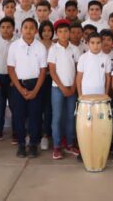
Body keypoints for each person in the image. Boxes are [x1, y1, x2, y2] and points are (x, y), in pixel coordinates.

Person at [7, 18, 47, 158]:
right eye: (26, 27)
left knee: (35, 116)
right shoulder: (14, 46)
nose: (28, 30)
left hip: (36, 85)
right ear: (21, 29)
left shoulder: (40, 47)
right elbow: (11, 69)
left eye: (31, 28)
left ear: (36, 31)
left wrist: (35, 90)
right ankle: (21, 144)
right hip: (19, 85)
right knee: (18, 116)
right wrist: (20, 89)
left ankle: (33, 144)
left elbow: (43, 71)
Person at [47, 21, 79, 159]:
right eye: (60, 32)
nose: (64, 34)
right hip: (57, 89)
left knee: (71, 117)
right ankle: (57, 146)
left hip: (72, 89)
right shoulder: (53, 49)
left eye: (66, 31)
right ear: (57, 34)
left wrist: (73, 87)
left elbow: (78, 70)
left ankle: (70, 144)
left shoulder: (75, 49)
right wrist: (62, 87)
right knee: (57, 117)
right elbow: (52, 71)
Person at [76, 32, 111, 96]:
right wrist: (79, 94)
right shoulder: (83, 57)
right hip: (85, 92)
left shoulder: (106, 58)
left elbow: (108, 77)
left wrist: (106, 93)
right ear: (88, 43)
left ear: (101, 43)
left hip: (101, 92)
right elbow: (79, 77)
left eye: (98, 43)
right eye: (92, 43)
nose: (95, 46)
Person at [38, 20, 55, 151]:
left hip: (51, 79)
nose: (47, 33)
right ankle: (35, 133)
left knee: (48, 108)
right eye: (44, 30)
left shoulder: (56, 46)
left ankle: (45, 135)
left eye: (49, 30)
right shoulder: (36, 45)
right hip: (38, 79)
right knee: (37, 106)